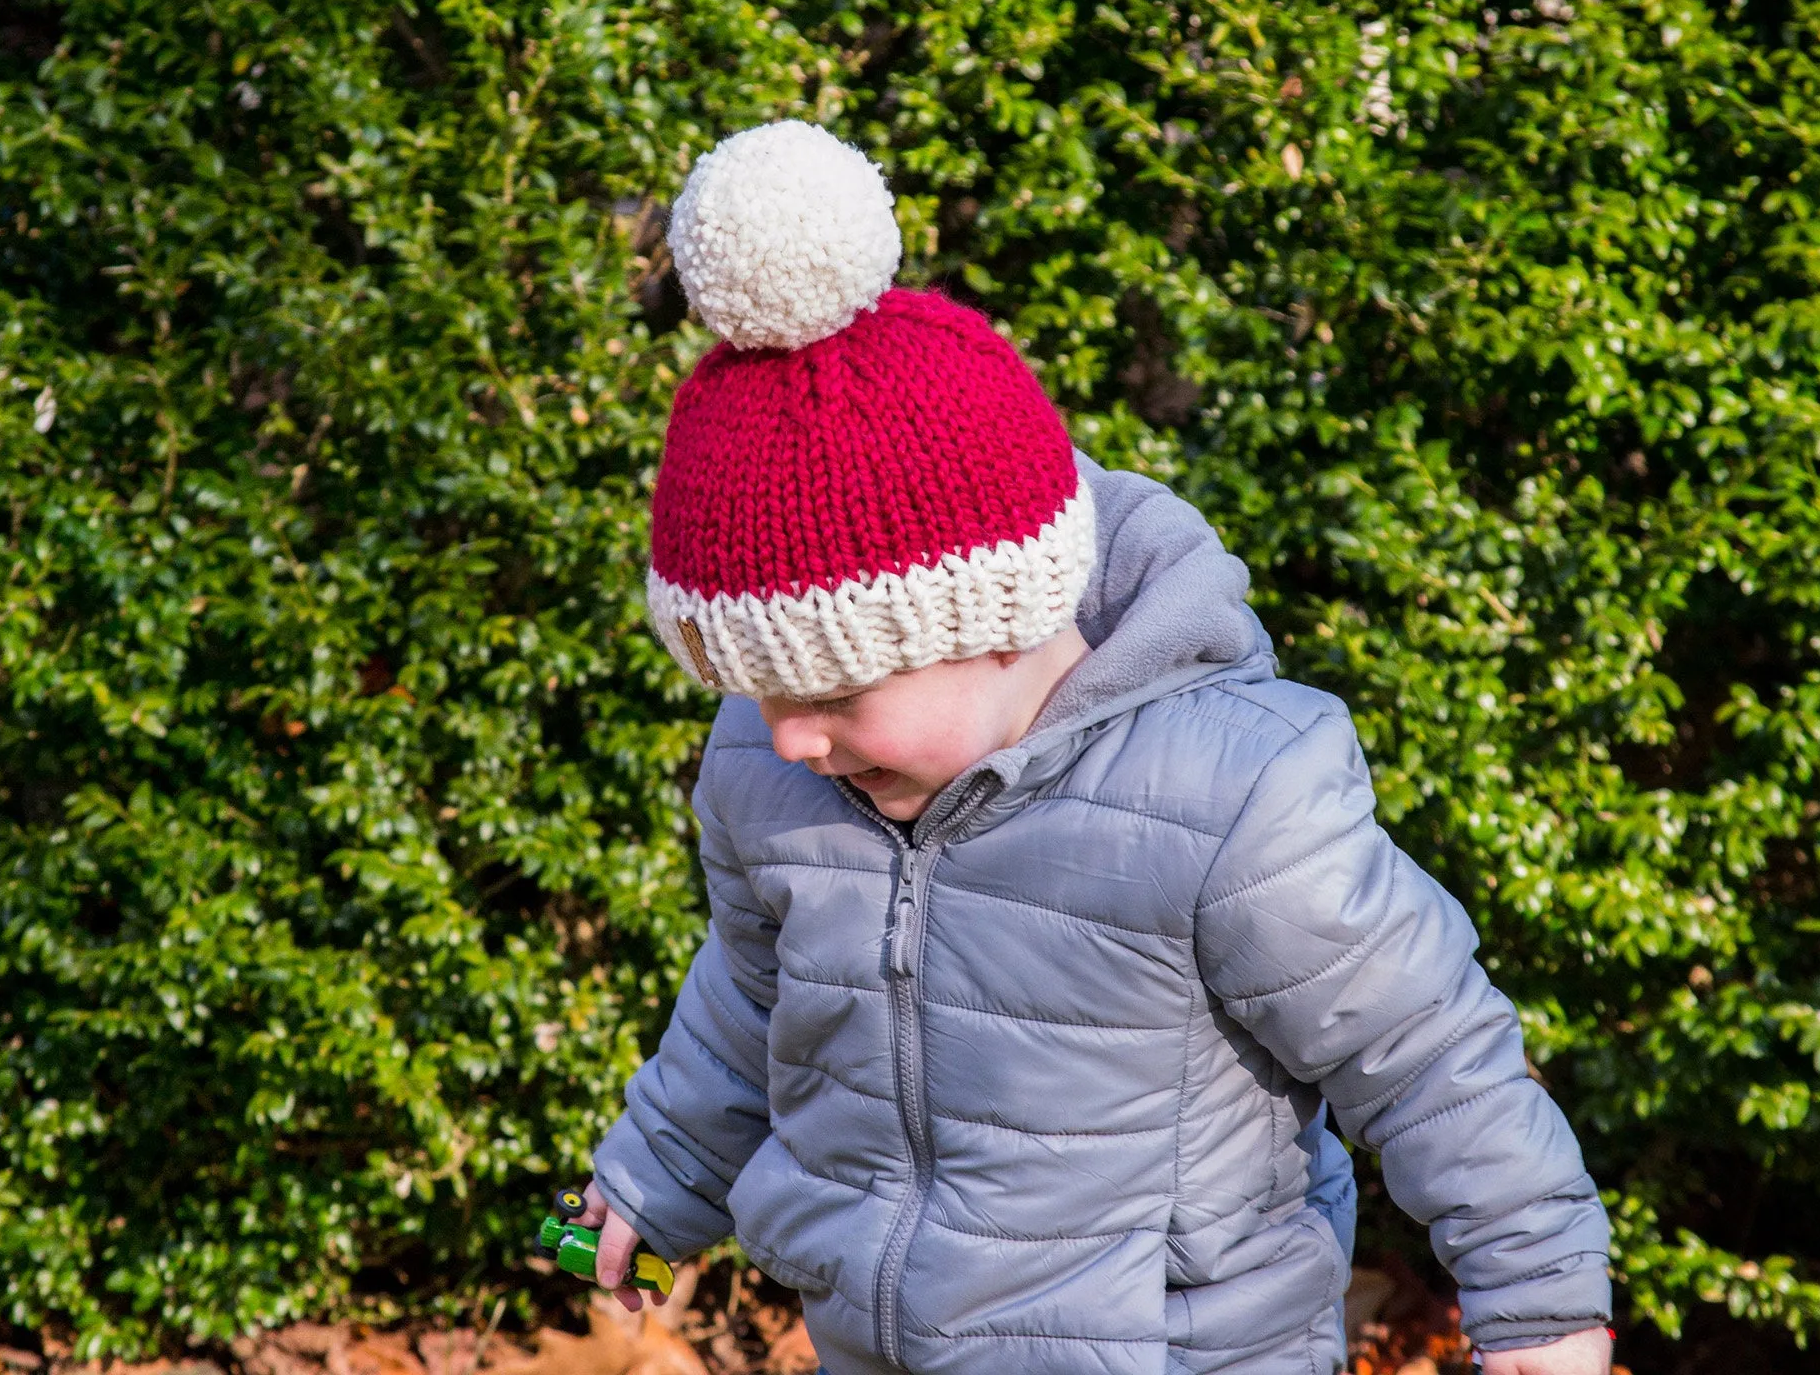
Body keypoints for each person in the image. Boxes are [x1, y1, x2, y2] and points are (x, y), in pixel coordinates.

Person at [567, 120, 1614, 1375]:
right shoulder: (776, 767)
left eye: (838, 690)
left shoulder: (1223, 797)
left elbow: (1427, 1050)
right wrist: (659, 1171)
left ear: (1001, 618)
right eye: (752, 684)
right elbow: (755, 996)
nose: (789, 734)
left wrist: (1541, 1297)